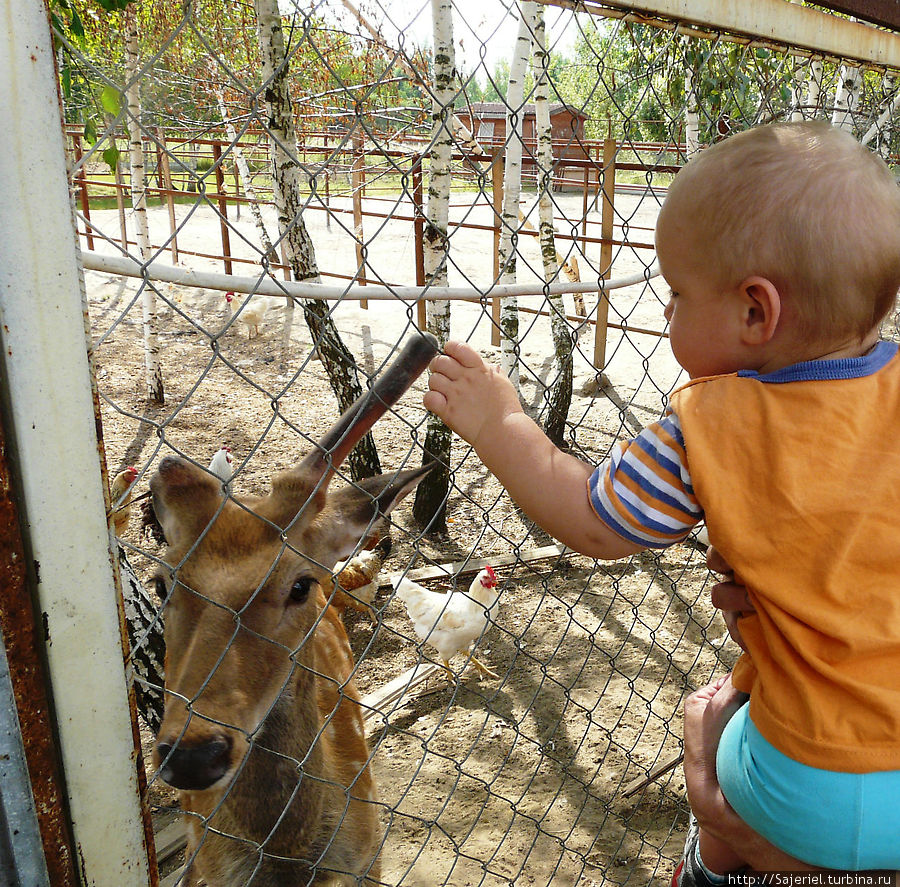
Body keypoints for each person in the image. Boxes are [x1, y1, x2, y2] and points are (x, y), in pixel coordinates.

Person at [422, 120, 900, 881]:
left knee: (715, 724)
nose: (668, 313)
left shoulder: (705, 425)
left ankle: (710, 866)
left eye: (676, 293)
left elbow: (593, 517)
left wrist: (499, 422)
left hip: (798, 786)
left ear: (755, 312)